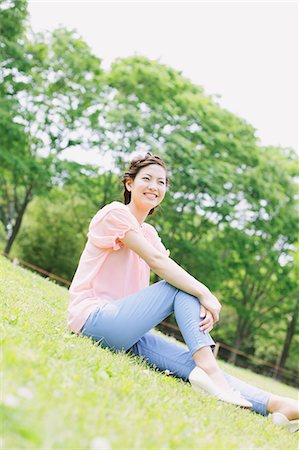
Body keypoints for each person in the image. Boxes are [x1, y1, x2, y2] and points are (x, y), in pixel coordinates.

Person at [68, 153, 298, 432]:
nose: (155, 186)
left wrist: (197, 295)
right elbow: (160, 265)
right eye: (147, 179)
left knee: (190, 361)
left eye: (161, 182)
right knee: (178, 288)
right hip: (94, 318)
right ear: (129, 184)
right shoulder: (114, 213)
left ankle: (278, 405)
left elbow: (164, 264)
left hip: (128, 334)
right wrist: (205, 294)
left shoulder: (149, 234)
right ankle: (211, 373)